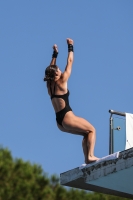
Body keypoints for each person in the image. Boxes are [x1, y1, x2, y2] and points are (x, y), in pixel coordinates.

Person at [44, 38, 99, 164]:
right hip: (67, 118)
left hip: (59, 123)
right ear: (56, 74)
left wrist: (55, 54)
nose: (60, 70)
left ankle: (87, 159)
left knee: (86, 133)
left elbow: (50, 69)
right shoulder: (62, 81)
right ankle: (90, 156)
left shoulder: (49, 86)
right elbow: (70, 61)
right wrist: (70, 46)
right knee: (92, 130)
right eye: (58, 69)